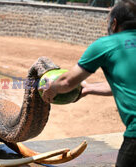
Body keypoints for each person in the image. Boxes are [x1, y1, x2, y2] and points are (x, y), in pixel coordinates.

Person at [39, 0, 136, 166]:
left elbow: (68, 81)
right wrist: (90, 88)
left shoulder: (106, 44)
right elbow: (124, 87)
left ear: (114, 23)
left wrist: (51, 88)